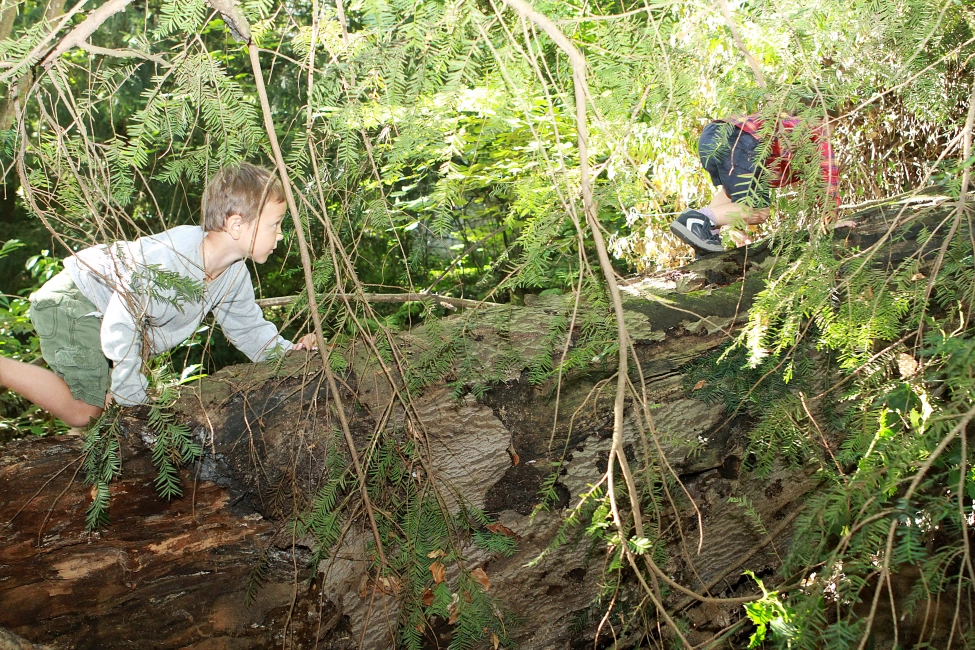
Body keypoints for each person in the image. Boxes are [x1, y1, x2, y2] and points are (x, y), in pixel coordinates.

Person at [0, 163, 316, 428]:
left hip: (103, 316)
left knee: (107, 407)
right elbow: (121, 324)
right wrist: (134, 401)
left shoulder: (234, 274)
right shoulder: (174, 261)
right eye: (274, 224)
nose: (280, 234)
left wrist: (293, 357)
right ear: (236, 225)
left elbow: (250, 331)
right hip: (77, 300)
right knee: (84, 411)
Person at [670, 112, 853, 255]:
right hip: (739, 139)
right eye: (833, 129)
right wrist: (830, 220)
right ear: (827, 121)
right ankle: (697, 220)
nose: (830, 137)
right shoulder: (815, 129)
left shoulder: (781, 127)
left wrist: (737, 226)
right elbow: (828, 176)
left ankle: (707, 237)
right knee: (759, 210)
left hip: (713, 134)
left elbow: (732, 193)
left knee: (737, 197)